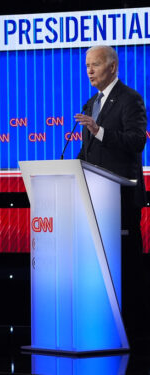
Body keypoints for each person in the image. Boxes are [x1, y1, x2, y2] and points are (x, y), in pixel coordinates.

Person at [74, 45, 149, 345]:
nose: (89, 70)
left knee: (126, 266)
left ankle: (134, 332)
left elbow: (136, 142)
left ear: (113, 67)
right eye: (87, 65)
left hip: (121, 198)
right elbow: (88, 152)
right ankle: (104, 327)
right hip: (95, 200)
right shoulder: (91, 102)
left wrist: (100, 131)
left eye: (95, 64)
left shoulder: (131, 99)